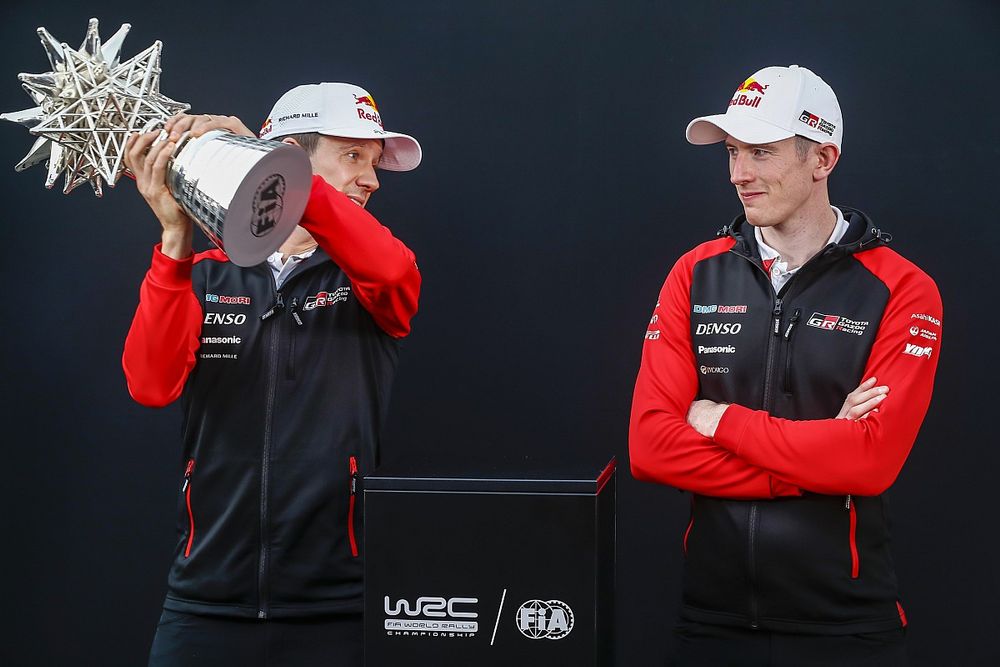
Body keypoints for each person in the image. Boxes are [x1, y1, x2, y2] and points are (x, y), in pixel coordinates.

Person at [628, 65, 942, 666]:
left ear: (823, 158)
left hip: (848, 626)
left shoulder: (903, 288)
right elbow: (650, 446)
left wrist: (719, 420)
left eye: (761, 152)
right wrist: (815, 466)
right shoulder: (695, 273)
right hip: (711, 620)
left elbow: (871, 462)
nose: (739, 174)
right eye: (732, 152)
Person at [122, 82, 422, 666]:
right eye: (353, 156)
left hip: (337, 607)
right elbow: (150, 385)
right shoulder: (203, 273)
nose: (372, 179)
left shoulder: (368, 276)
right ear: (291, 151)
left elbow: (391, 270)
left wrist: (272, 172)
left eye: (374, 161)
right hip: (204, 602)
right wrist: (175, 238)